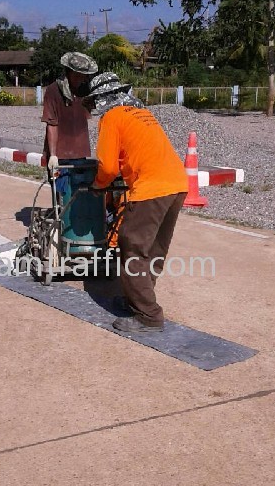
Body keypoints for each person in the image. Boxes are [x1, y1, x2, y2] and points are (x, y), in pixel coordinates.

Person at [84, 72, 188, 334]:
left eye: (96, 101)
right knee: (154, 249)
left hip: (151, 189)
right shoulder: (143, 114)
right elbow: (136, 152)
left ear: (103, 99)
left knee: (130, 248)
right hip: (177, 184)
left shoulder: (112, 117)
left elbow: (107, 166)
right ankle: (138, 300)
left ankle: (148, 316)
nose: (96, 107)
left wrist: (98, 186)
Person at [41, 51, 98, 176]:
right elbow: (52, 124)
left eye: (83, 76)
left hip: (80, 154)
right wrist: (53, 155)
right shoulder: (53, 91)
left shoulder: (85, 91)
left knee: (80, 191)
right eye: (77, 75)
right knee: (61, 192)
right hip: (60, 156)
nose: (80, 79)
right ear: (68, 72)